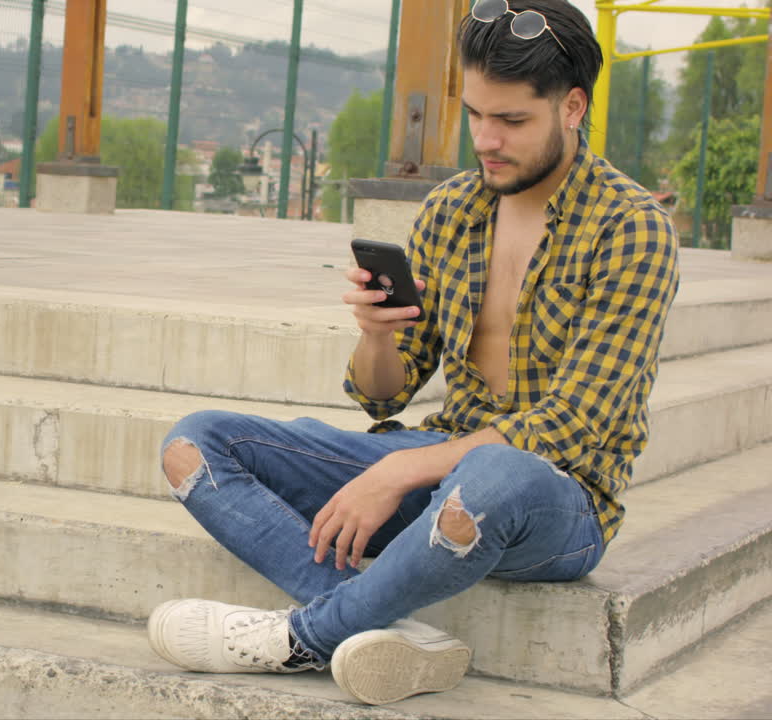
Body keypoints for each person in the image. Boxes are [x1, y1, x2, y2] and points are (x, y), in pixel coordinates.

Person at [147, 0, 680, 706]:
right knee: (196, 445)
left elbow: (573, 424)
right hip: (441, 467)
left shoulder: (631, 228)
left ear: (572, 107)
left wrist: (402, 467)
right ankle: (386, 629)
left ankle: (302, 638)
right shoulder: (452, 210)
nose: (486, 139)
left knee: (494, 474)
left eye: (512, 120)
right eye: (476, 114)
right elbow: (384, 395)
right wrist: (376, 334)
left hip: (559, 503)